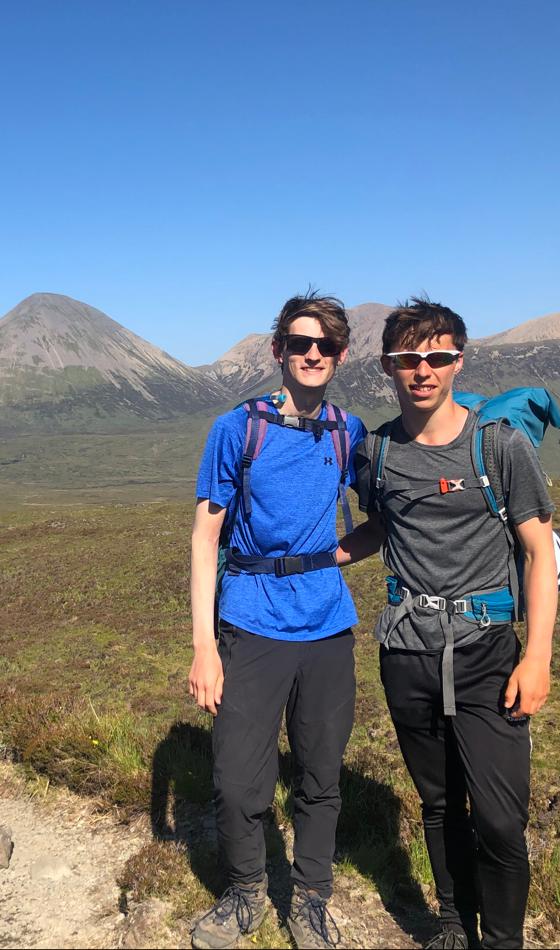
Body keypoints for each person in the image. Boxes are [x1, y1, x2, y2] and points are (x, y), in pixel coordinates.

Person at [336, 298, 557, 950]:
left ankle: (503, 940)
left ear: (459, 361)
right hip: (406, 654)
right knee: (438, 803)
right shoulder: (375, 452)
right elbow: (382, 526)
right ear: (387, 366)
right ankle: (455, 928)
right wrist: (308, 559)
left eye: (437, 357)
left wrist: (536, 656)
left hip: (489, 653)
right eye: (409, 359)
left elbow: (540, 550)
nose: (423, 371)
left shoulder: (500, 447)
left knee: (498, 817)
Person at [189, 291, 366, 950]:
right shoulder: (237, 429)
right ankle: (245, 894)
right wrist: (204, 646)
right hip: (249, 621)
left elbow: (396, 503)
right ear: (279, 351)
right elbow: (205, 541)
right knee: (239, 782)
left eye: (324, 345)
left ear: (340, 356)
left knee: (321, 775)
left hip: (326, 626)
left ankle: (311, 899)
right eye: (300, 343)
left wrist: (342, 553)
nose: (312, 354)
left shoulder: (350, 432)